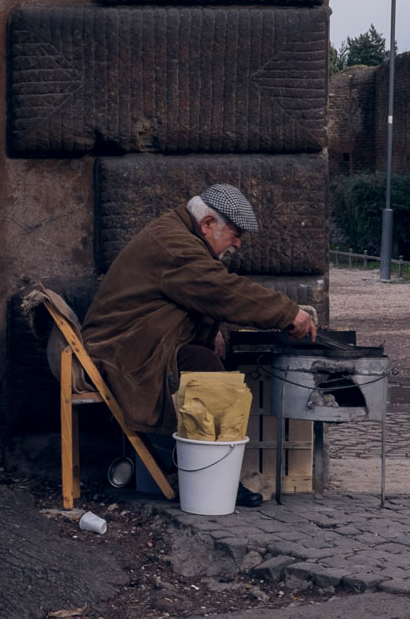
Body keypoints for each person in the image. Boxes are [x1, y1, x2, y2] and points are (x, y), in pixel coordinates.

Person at [81, 183, 317, 507]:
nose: (237, 244)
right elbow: (221, 290)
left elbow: (192, 294)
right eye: (234, 234)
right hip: (123, 354)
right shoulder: (175, 245)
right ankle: (212, 479)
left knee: (206, 360)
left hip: (131, 343)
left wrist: (209, 326)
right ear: (207, 224)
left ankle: (204, 471)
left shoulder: (178, 234)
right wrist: (288, 312)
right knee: (208, 373)